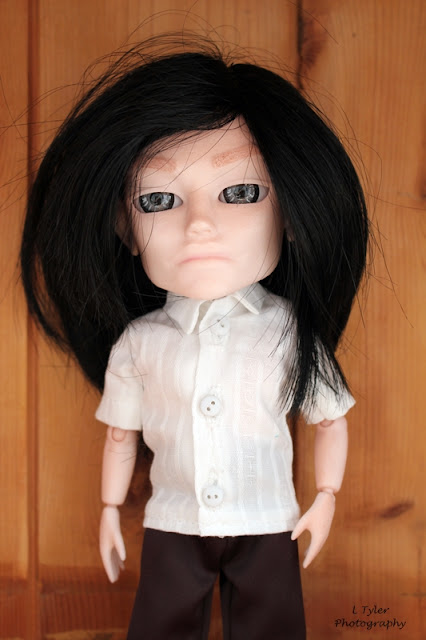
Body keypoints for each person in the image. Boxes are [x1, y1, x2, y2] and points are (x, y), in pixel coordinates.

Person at [21, 35, 369, 639]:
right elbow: (120, 434)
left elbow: (331, 419)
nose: (200, 224)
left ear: (289, 214)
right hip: (174, 518)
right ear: (125, 229)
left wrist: (326, 495)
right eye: (159, 199)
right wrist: (109, 509)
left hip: (268, 517)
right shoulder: (140, 344)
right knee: (162, 623)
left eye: (240, 193)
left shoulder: (290, 333)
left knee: (272, 627)